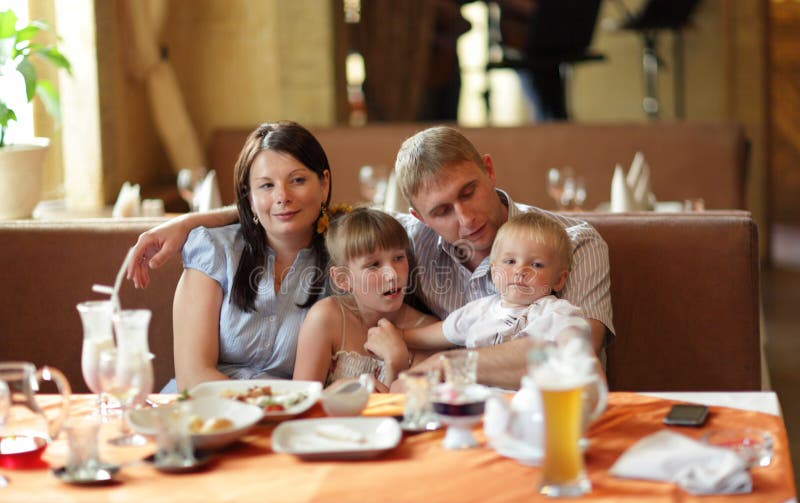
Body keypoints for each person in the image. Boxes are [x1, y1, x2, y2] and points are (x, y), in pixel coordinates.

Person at [128, 125, 613, 390]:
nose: (464, 219)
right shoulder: (403, 240)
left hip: (544, 411)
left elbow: (572, 356)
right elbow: (287, 210)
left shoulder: (576, 242)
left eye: (469, 192)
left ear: (487, 170)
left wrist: (441, 365)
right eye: (441, 210)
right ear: (415, 214)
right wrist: (187, 222)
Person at [165, 121, 332, 392]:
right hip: (207, 412)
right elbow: (192, 377)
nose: (283, 196)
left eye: (298, 180)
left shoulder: (346, 258)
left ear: (323, 185)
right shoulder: (213, 250)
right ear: (250, 198)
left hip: (290, 416)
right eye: (266, 186)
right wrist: (272, 403)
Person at [401, 211, 589, 351]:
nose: (520, 271)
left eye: (537, 265)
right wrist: (400, 336)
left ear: (559, 279)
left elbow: (571, 344)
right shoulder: (479, 310)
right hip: (477, 394)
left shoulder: (554, 312)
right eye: (510, 261)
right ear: (493, 269)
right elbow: (441, 333)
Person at [293, 207, 437, 390]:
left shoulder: (428, 331)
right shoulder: (326, 318)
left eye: (399, 258)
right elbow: (302, 401)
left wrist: (396, 362)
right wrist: (338, 391)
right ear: (342, 279)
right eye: (373, 265)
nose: (391, 275)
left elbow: (404, 414)